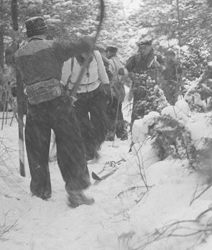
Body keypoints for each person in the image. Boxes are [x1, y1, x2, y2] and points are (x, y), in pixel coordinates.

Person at [14, 16, 95, 207]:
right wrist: (88, 40)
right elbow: (77, 46)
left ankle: (40, 193)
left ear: (29, 34)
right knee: (70, 145)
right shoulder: (53, 46)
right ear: (43, 31)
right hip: (58, 105)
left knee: (36, 150)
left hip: (34, 107)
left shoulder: (19, 54)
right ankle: (75, 192)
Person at [61, 48, 111, 161]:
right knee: (83, 126)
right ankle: (88, 151)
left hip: (96, 92)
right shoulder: (71, 59)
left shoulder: (96, 55)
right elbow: (63, 79)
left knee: (101, 123)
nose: (89, 54)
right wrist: (62, 93)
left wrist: (107, 86)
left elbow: (102, 71)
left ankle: (95, 145)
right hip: (78, 95)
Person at [125, 37, 167, 127]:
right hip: (139, 89)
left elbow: (164, 68)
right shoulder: (135, 58)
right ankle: (135, 133)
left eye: (145, 48)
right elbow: (127, 70)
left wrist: (159, 66)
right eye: (141, 48)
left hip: (153, 90)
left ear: (150, 47)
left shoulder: (157, 57)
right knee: (137, 112)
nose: (142, 50)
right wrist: (134, 77)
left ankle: (151, 133)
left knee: (153, 113)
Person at [105, 45, 128, 140]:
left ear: (109, 52)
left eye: (107, 52)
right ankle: (121, 132)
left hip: (113, 89)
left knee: (111, 111)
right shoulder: (119, 61)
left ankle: (111, 132)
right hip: (120, 89)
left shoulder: (109, 62)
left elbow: (108, 75)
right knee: (118, 111)